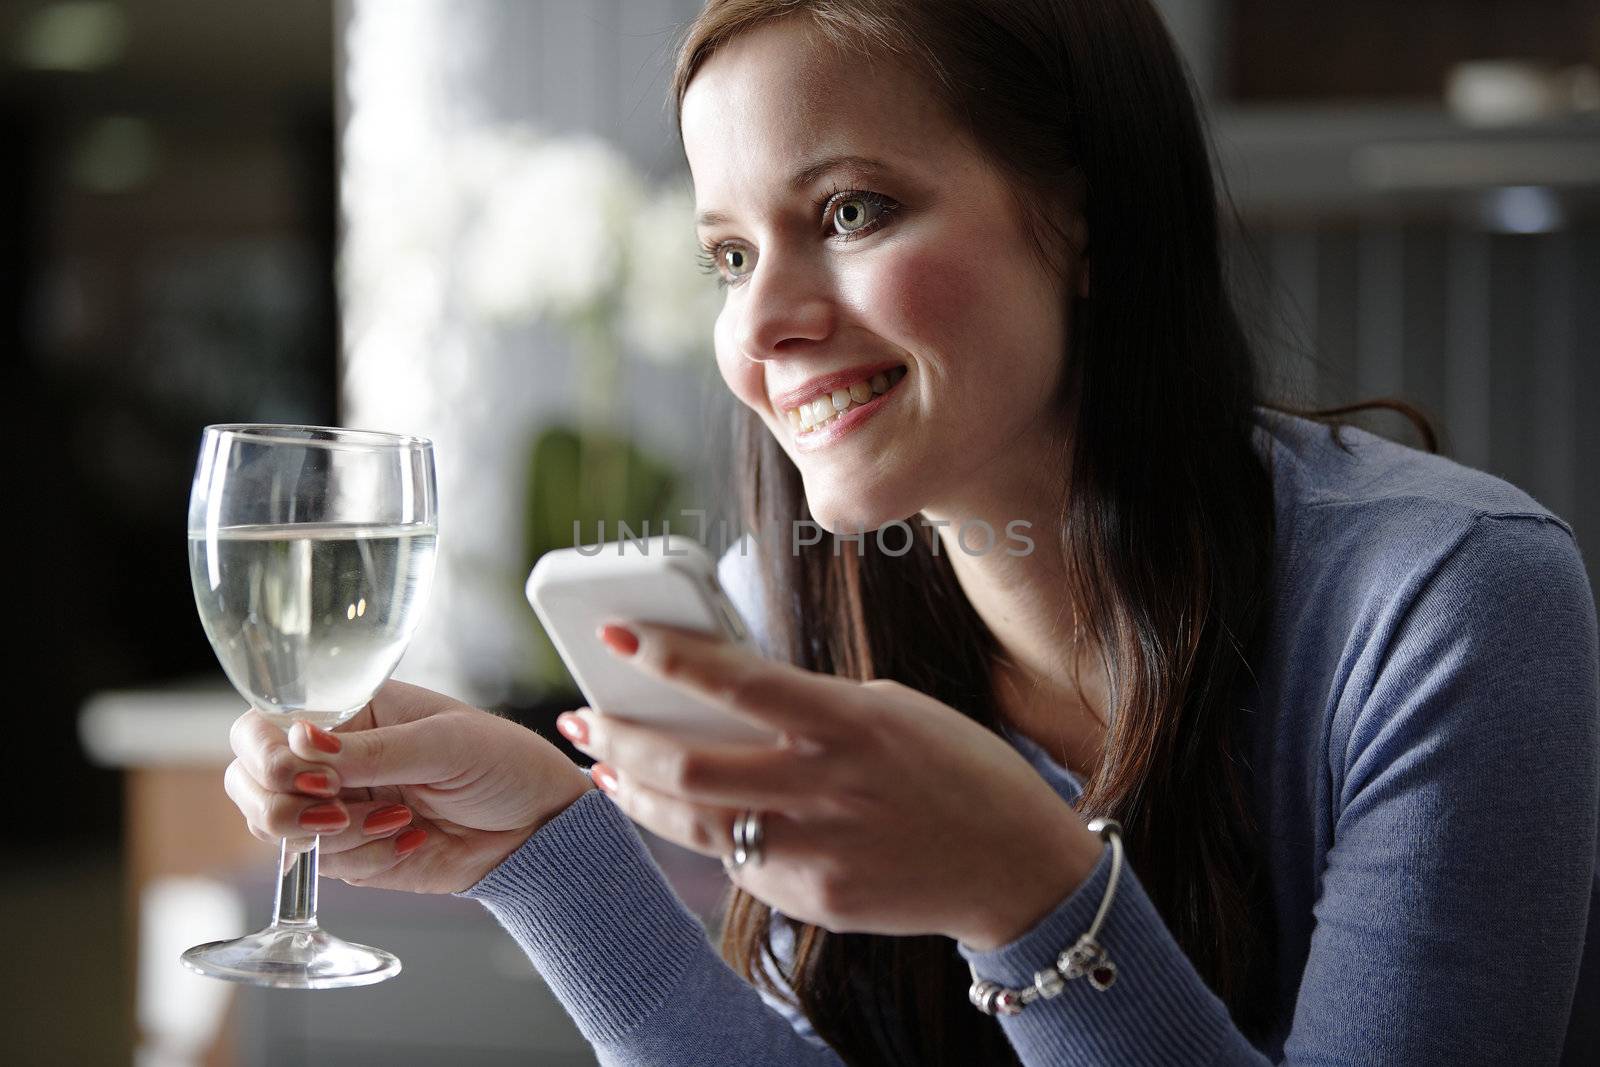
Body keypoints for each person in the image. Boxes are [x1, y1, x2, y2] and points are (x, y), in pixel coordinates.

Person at [222, 1, 1600, 1063]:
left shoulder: (1448, 603)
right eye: (731, 254)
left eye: (851, 211)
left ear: (1082, 217)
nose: (760, 328)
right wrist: (541, 849)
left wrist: (1041, 902)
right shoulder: (784, 613)